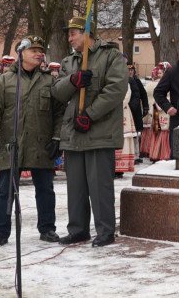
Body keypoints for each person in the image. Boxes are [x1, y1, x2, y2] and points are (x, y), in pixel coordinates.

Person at [51, 16, 128, 247]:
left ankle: (105, 231)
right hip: (74, 134)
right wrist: (73, 81)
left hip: (99, 133)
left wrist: (89, 115)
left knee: (100, 187)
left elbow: (116, 89)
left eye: (73, 33)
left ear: (87, 33)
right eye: (68, 34)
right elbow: (57, 92)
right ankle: (78, 230)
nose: (70, 38)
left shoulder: (110, 56)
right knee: (75, 187)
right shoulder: (69, 62)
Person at [0, 36, 64, 246]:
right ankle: (0, 232)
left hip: (41, 145)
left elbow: (60, 113)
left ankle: (47, 228)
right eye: (34, 51)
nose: (39, 54)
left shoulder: (50, 81)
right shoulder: (4, 80)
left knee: (45, 190)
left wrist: (57, 138)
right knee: (5, 191)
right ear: (21, 53)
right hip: (12, 144)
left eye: (41, 51)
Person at [127, 62, 149, 138]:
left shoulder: (137, 81)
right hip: (126, 109)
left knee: (136, 131)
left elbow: (143, 95)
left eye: (132, 70)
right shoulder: (123, 81)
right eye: (128, 70)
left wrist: (145, 107)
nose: (130, 72)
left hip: (136, 109)